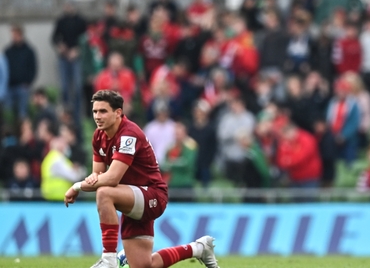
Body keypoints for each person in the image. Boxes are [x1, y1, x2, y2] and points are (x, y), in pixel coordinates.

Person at [63, 90, 218, 268]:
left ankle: (109, 261)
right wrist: (90, 181)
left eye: (103, 111)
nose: (97, 116)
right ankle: (198, 248)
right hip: (131, 197)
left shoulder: (128, 134)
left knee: (104, 193)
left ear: (118, 112)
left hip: (153, 194)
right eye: (95, 111)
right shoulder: (99, 136)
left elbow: (111, 179)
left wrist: (76, 187)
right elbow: (97, 176)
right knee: (145, 265)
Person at [4, 24, 38, 121]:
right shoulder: (8, 51)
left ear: (20, 35)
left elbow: (33, 68)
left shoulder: (29, 51)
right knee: (8, 113)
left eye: (15, 34)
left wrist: (28, 82)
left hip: (22, 87)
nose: (13, 37)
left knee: (22, 113)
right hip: (9, 87)